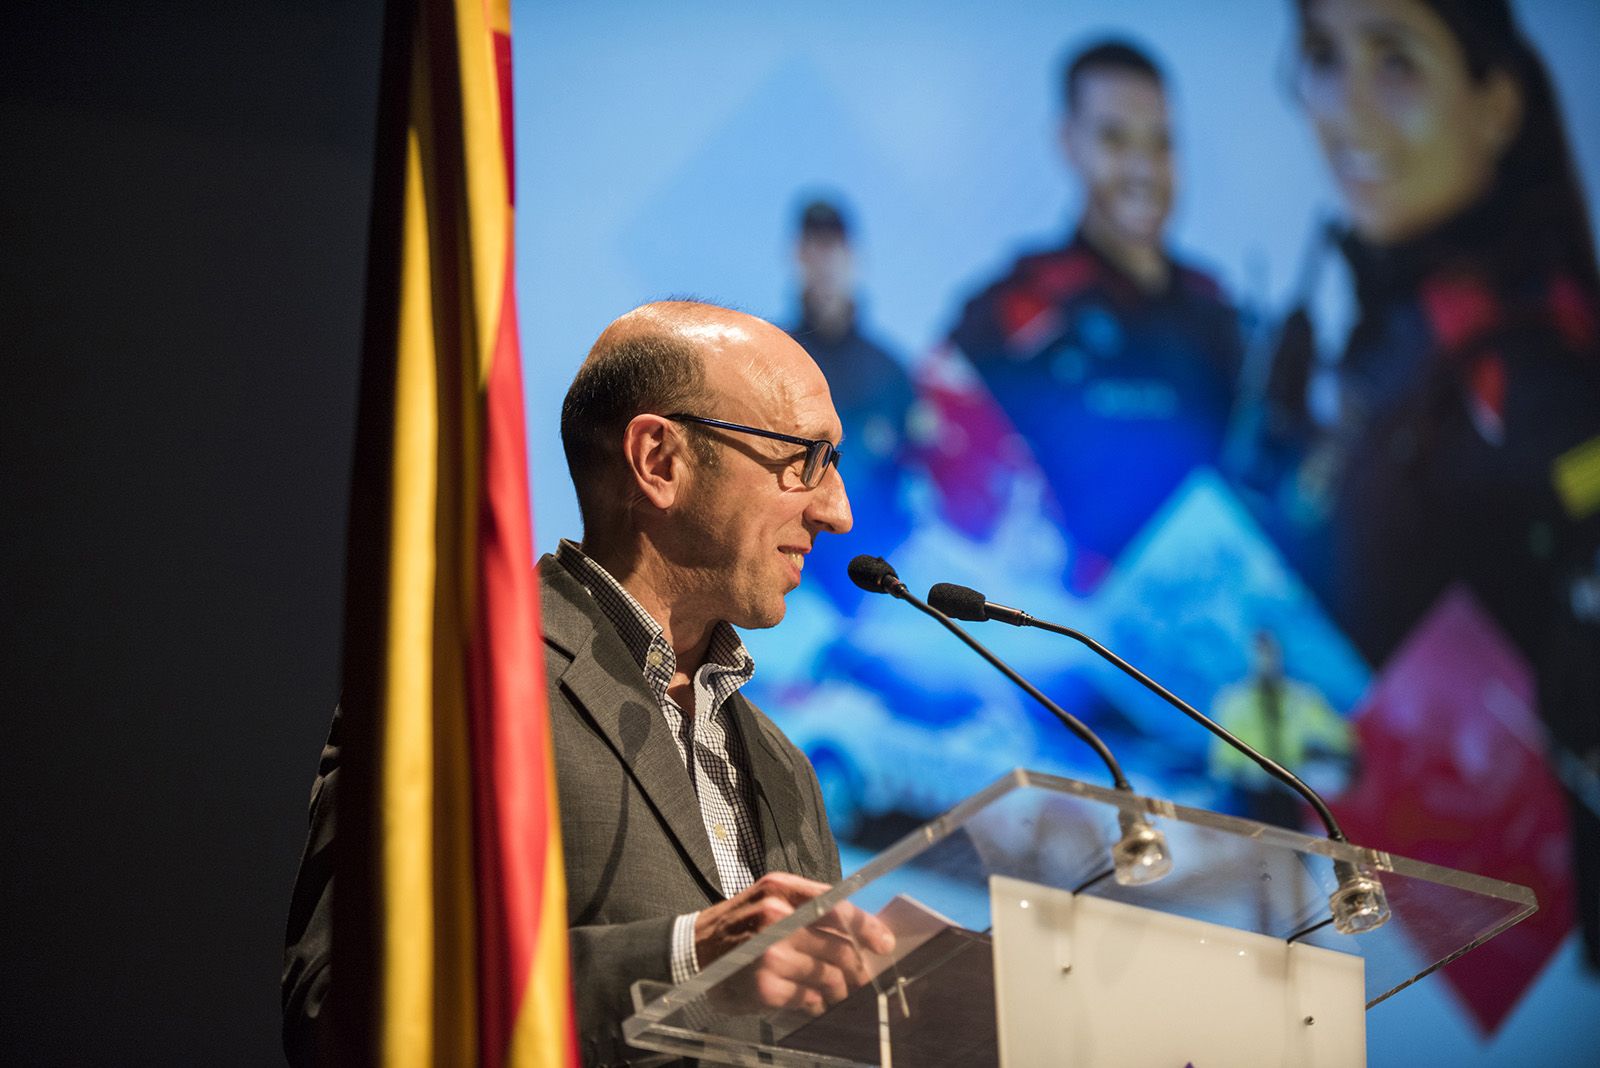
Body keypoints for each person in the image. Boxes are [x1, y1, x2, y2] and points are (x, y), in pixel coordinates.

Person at [283, 301, 894, 1065]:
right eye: (804, 456)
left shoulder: (787, 769)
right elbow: (341, 1005)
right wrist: (682, 961)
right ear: (659, 461)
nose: (836, 511)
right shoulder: (463, 687)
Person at [1256, 0, 1600, 968]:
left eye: (1395, 61)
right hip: (1376, 928)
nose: (1343, 107)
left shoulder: (1541, 366)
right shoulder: (1376, 332)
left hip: (1526, 969)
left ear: (1496, 103)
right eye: (1321, 56)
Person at [924, 39, 1240, 592]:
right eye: (1114, 139)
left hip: (1199, 643)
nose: (1143, 168)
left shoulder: (1217, 314)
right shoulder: (1010, 311)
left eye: (1161, 143)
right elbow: (934, 483)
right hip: (1052, 645)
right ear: (1068, 142)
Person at [785, 198, 920, 611]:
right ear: (799, 256)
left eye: (836, 247)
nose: (826, 260)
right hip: (797, 588)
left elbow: (913, 479)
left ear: (854, 257)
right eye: (816, 247)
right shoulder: (776, 359)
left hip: (884, 585)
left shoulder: (891, 372)